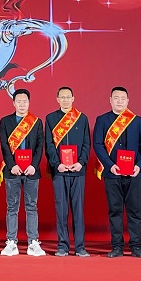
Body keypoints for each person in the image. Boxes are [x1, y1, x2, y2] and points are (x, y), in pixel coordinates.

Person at [92, 86, 141, 258]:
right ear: (110, 100)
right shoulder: (102, 120)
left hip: (134, 173)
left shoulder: (136, 120)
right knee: (115, 210)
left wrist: (139, 165)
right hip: (112, 173)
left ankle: (136, 246)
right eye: (116, 98)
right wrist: (110, 165)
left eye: (123, 98)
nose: (119, 101)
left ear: (128, 101)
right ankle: (117, 246)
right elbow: (98, 145)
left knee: (135, 211)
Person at [0, 88, 46, 257]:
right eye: (18, 101)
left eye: (24, 101)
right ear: (13, 103)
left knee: (31, 206)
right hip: (13, 170)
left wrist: (34, 165)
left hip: (31, 171)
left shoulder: (36, 122)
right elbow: (4, 145)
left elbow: (40, 145)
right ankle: (11, 241)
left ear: (29, 102)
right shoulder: (5, 121)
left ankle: (33, 242)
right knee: (12, 206)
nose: (22, 104)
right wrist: (11, 165)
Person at [44, 86, 90, 257]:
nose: (65, 100)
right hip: (60, 171)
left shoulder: (82, 118)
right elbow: (49, 145)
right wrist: (57, 164)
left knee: (78, 210)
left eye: (68, 97)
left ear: (73, 98)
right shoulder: (50, 118)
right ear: (57, 99)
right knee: (61, 209)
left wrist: (81, 162)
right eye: (62, 97)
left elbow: (86, 144)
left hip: (78, 170)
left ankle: (80, 247)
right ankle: (62, 246)